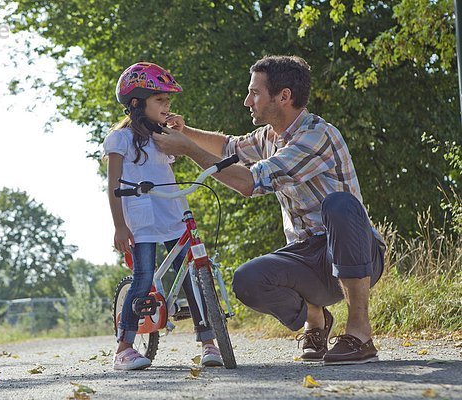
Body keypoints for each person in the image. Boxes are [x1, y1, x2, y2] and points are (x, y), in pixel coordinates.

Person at [152, 55, 385, 365]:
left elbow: (250, 182)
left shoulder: (315, 136)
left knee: (339, 205)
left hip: (354, 251)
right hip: (306, 256)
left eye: (255, 92)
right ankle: (315, 318)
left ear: (283, 96)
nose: (248, 100)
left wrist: (187, 149)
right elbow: (228, 148)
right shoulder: (269, 137)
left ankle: (360, 333)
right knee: (247, 279)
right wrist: (187, 132)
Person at [103, 62, 224, 371]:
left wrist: (181, 133)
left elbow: (184, 152)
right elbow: (113, 185)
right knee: (144, 278)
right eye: (160, 100)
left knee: (191, 277)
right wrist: (119, 226)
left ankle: (209, 341)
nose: (167, 106)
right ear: (136, 103)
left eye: (168, 101)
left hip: (172, 214)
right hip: (142, 221)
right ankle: (124, 347)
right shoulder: (120, 140)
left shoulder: (163, 137)